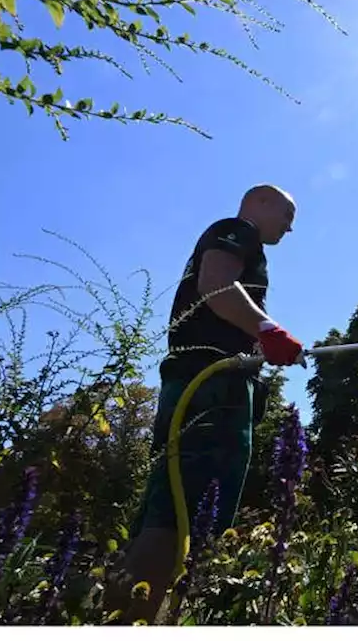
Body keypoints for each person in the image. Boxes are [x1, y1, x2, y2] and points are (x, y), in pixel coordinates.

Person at [108, 184, 306, 624]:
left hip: (199, 380)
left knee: (169, 502)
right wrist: (268, 329)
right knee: (187, 511)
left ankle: (119, 616)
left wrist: (260, 341)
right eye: (288, 216)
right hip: (211, 384)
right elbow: (216, 284)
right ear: (261, 201)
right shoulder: (237, 230)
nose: (290, 228)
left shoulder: (243, 242)